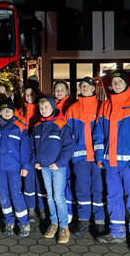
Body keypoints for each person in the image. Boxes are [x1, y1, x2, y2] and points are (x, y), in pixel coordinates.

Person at [93, 71, 130, 256]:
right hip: (111, 164)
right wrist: (99, 156)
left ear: (126, 83)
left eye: (119, 81)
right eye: (114, 82)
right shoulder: (105, 106)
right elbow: (99, 134)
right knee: (113, 198)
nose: (116, 84)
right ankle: (117, 233)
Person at [0, 98, 31, 237]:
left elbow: (25, 149)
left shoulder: (20, 127)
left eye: (9, 110)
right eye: (4, 110)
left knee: (16, 195)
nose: (6, 112)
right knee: (3, 196)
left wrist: (25, 166)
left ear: (13, 111)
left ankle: (24, 223)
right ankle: (9, 221)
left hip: (14, 168)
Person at [30, 96, 75, 244]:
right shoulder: (37, 126)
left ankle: (64, 226)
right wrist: (35, 161)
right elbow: (32, 147)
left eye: (46, 107)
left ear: (53, 108)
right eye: (41, 108)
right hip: (43, 167)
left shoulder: (61, 124)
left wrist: (60, 162)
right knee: (49, 196)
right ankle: (54, 222)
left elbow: (69, 146)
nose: (43, 110)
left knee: (59, 197)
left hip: (57, 167)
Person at [65, 77, 105, 237]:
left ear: (94, 88)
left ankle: (100, 221)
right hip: (80, 156)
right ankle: (83, 220)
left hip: (97, 157)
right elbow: (67, 134)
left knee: (98, 189)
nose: (85, 88)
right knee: (81, 189)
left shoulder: (102, 107)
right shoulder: (73, 108)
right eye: (82, 85)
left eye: (88, 86)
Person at [15, 84, 46, 223]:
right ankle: (31, 209)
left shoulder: (41, 109)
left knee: (41, 181)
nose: (29, 97)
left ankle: (43, 209)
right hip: (25, 149)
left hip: (39, 148)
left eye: (31, 94)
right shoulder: (19, 111)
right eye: (26, 95)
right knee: (28, 181)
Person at [53, 79, 75, 223]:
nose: (59, 92)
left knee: (67, 180)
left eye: (62, 89)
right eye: (57, 90)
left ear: (67, 92)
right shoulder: (51, 105)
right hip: (55, 148)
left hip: (66, 148)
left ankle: (69, 210)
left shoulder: (70, 106)